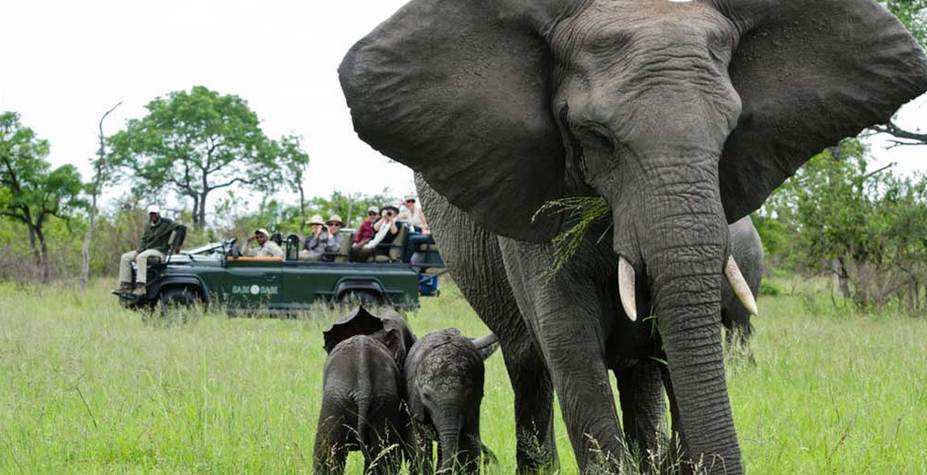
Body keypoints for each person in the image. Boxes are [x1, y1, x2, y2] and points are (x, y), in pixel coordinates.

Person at [117, 205, 184, 295]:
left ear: (158, 214)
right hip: (147, 250)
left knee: (141, 257)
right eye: (151, 214)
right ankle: (126, 286)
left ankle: (141, 287)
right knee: (125, 257)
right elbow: (143, 240)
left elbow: (182, 228)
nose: (153, 216)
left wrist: (177, 245)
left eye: (154, 214)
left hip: (159, 252)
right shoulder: (148, 224)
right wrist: (137, 251)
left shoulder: (167, 223)